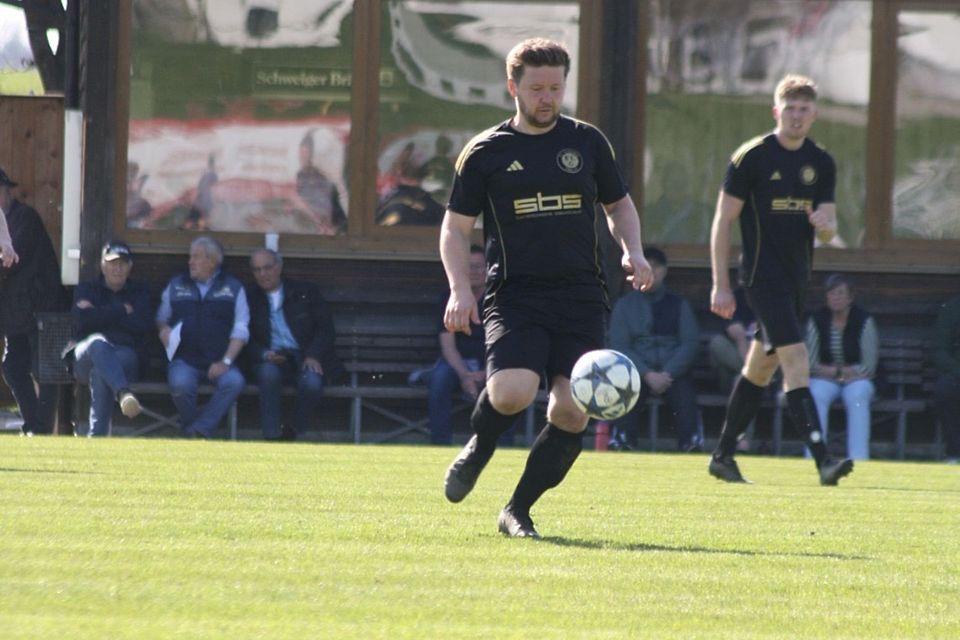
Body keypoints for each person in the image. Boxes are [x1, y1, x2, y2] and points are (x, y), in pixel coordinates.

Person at [440, 38, 654, 538]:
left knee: (573, 409)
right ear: (513, 87)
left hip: (580, 295)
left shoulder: (587, 143)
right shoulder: (486, 152)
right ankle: (479, 447)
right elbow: (454, 228)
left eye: (556, 88)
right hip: (514, 294)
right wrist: (459, 289)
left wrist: (634, 250)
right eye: (536, 88)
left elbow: (618, 205)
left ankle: (518, 508)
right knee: (513, 392)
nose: (547, 98)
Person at [707, 74, 854, 486]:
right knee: (796, 360)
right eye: (789, 108)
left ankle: (722, 455)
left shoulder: (821, 162)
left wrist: (824, 227)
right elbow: (722, 222)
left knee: (759, 369)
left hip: (796, 280)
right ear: (776, 111)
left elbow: (829, 230)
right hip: (760, 277)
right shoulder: (751, 157)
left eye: (804, 109)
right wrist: (719, 283)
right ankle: (824, 460)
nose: (796, 116)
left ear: (815, 115)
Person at [608, 246, 702, 452]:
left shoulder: (679, 305)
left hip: (672, 373)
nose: (651, 271)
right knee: (625, 391)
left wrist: (668, 372)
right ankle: (623, 441)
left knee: (685, 395)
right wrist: (647, 374)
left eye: (655, 267)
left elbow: (690, 343)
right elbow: (619, 345)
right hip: (636, 372)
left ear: (664, 271)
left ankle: (691, 443)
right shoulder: (624, 306)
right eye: (645, 266)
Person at [156, 236, 248, 438]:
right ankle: (194, 430)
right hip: (184, 360)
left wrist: (225, 362)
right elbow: (161, 318)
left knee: (234, 381)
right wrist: (163, 330)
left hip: (219, 361)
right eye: (190, 257)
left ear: (212, 261)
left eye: (196, 257)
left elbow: (241, 329)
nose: (190, 262)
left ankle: (199, 429)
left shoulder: (233, 288)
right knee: (181, 384)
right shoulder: (176, 285)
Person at [246, 248, 342, 440]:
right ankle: (271, 436)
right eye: (257, 270)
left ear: (279, 267)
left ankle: (292, 431)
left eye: (267, 268)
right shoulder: (249, 298)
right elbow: (245, 337)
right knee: (268, 374)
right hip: (271, 358)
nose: (263, 274)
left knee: (312, 383)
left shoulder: (305, 292)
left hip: (304, 356)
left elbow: (326, 329)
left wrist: (313, 354)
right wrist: (264, 354)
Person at [0, 167, 67, 435]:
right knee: (13, 367)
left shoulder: (24, 218)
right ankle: (34, 426)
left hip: (44, 309)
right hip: (16, 312)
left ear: (6, 192)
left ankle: (41, 430)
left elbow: (9, 261)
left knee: (47, 371)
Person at [70, 241, 152, 436]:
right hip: (85, 356)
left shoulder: (139, 292)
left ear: (130, 267)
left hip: (125, 356)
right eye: (113, 263)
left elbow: (142, 325)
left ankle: (97, 438)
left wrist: (98, 315)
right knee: (97, 342)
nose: (117, 268)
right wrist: (122, 311)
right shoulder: (87, 289)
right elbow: (81, 321)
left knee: (101, 369)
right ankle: (123, 393)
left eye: (123, 263)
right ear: (103, 265)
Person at [418, 245, 488, 445]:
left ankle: (502, 445)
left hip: (490, 363)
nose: (475, 272)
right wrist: (465, 375)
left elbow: (502, 344)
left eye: (479, 267)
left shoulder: (497, 300)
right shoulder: (449, 299)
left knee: (503, 383)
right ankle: (439, 443)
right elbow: (447, 345)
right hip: (455, 362)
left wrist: (486, 372)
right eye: (470, 267)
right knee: (440, 380)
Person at [805, 274, 878, 460]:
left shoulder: (864, 320)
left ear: (850, 297)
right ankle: (815, 456)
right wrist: (836, 372)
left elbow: (869, 365)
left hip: (857, 380)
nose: (835, 298)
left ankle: (859, 458)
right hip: (825, 378)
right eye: (831, 294)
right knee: (815, 394)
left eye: (840, 293)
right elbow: (811, 362)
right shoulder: (817, 319)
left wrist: (841, 372)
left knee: (857, 396)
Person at [708, 286, 759, 451]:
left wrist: (743, 339)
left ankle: (742, 439)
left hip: (764, 372)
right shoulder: (733, 299)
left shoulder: (772, 300)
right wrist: (741, 339)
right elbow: (733, 333)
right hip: (729, 373)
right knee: (717, 344)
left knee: (743, 380)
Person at [930, 293, 960, 464]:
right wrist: (956, 370)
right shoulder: (953, 307)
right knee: (945, 390)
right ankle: (955, 453)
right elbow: (939, 349)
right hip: (957, 373)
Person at [296, 132, 346, 233]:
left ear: (311, 154)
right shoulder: (300, 176)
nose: (303, 158)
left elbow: (326, 209)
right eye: (301, 154)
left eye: (305, 154)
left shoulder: (320, 178)